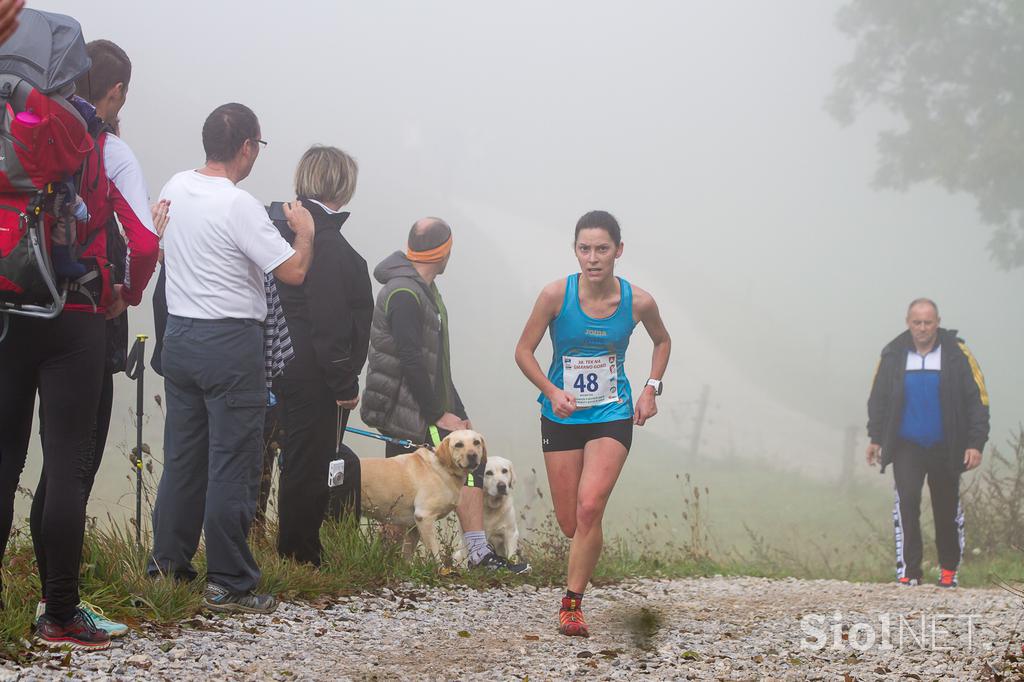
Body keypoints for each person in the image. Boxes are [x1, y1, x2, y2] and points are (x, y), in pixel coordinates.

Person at [147, 103, 314, 614]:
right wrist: (305, 232)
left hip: (180, 335)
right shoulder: (237, 205)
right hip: (230, 343)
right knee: (232, 463)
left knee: (183, 457)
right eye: (258, 146)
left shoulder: (174, 186)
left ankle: (167, 567)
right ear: (246, 147)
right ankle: (229, 580)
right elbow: (292, 273)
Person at [28, 39, 162, 641]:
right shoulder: (110, 150)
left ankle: (29, 602)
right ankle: (59, 607)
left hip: (17, 306)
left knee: (12, 461)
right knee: (71, 465)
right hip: (82, 316)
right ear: (115, 93)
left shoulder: (25, 136)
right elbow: (144, 244)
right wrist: (126, 295)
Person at [514, 210, 671, 637]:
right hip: (561, 415)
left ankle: (572, 604)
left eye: (602, 249)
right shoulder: (553, 296)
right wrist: (551, 390)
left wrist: (650, 388)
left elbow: (662, 339)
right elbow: (523, 351)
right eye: (585, 248)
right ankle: (583, 551)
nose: (593, 257)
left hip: (611, 413)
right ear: (575, 251)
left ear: (618, 251)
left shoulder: (639, 301)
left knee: (590, 506)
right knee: (571, 522)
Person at [361, 218, 529, 573]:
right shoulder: (406, 294)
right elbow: (410, 359)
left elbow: (434, 364)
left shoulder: (422, 289)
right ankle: (477, 555)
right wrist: (439, 413)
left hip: (419, 404)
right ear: (443, 252)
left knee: (406, 493)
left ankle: (385, 566)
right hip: (408, 408)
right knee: (465, 470)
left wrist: (458, 410)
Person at [273, 145, 372, 565]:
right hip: (312, 369)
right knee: (309, 462)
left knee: (287, 460)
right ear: (342, 185)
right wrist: (344, 381)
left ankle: (286, 549)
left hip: (277, 360)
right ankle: (300, 554)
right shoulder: (328, 243)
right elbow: (329, 317)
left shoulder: (280, 226)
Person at [866, 298, 989, 588]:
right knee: (907, 502)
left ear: (938, 322)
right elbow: (878, 398)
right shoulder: (893, 354)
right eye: (917, 322)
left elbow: (978, 401)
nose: (922, 328)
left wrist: (975, 443)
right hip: (907, 445)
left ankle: (948, 569)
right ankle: (909, 571)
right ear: (908, 323)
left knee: (945, 508)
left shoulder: (958, 355)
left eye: (928, 322)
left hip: (947, 446)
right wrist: (875, 438)